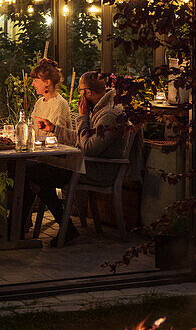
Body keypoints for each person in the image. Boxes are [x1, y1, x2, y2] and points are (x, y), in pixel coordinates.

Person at [29, 71, 127, 245]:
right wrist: (54, 129)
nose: (79, 96)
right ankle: (52, 226)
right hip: (85, 166)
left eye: (81, 91)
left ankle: (65, 228)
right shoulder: (100, 110)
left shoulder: (109, 115)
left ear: (88, 92)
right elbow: (84, 139)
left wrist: (82, 117)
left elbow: (89, 148)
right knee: (34, 171)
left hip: (96, 170)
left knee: (36, 173)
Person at [29, 57, 71, 134]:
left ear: (47, 82)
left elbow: (54, 137)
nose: (32, 84)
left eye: (35, 80)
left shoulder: (59, 104)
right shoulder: (39, 102)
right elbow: (32, 129)